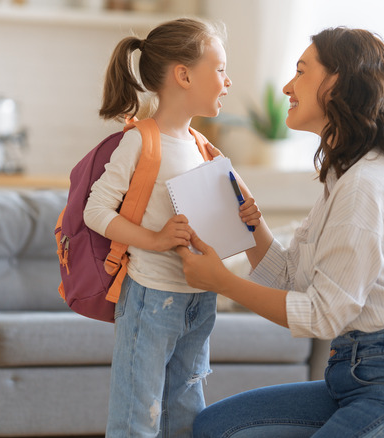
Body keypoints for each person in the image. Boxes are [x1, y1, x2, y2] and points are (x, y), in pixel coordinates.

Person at [176, 27, 384, 437]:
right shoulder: (343, 180)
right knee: (216, 428)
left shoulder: (368, 184)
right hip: (352, 378)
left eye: (302, 72)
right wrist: (252, 226)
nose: (288, 86)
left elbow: (323, 315)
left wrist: (222, 282)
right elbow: (291, 279)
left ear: (339, 81)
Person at [82, 18, 237, 438]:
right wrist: (155, 239)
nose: (227, 80)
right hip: (151, 298)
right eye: (220, 69)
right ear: (184, 75)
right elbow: (95, 211)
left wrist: (242, 221)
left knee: (185, 415)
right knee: (137, 417)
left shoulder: (205, 149)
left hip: (199, 301)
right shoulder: (140, 141)